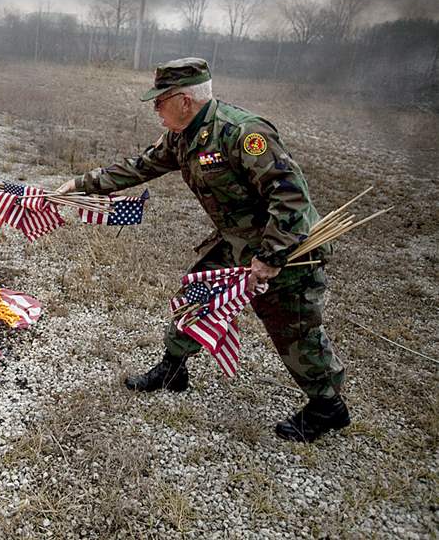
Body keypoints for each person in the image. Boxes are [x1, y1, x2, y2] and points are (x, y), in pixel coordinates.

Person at [56, 57, 349, 443]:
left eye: (159, 102)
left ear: (184, 101)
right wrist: (81, 184)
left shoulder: (243, 133)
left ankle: (328, 406)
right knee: (194, 297)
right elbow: (137, 167)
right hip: (236, 242)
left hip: (287, 246)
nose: (155, 110)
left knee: (293, 327)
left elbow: (291, 199)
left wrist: (270, 257)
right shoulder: (183, 135)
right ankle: (174, 369)